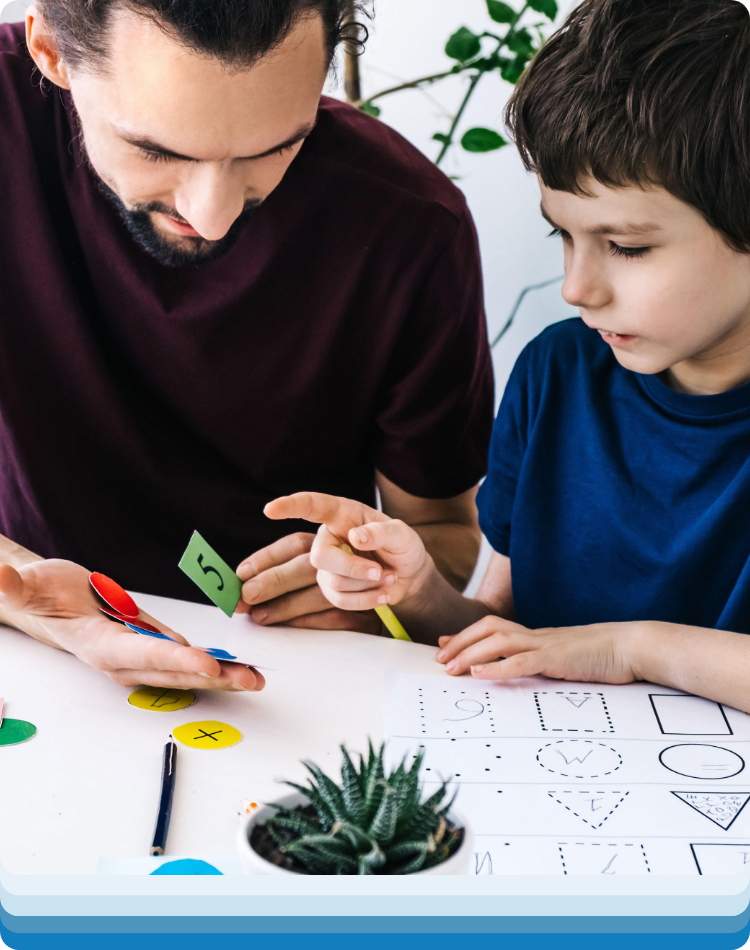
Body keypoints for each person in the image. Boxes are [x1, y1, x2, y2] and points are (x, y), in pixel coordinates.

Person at [267, 0, 750, 713]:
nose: (576, 287)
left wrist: (627, 648)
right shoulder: (556, 373)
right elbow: (504, 632)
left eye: (627, 247)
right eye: (563, 235)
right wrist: (418, 590)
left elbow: (589, 651)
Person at [0, 1, 494, 690]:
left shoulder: (409, 228)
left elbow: (441, 528)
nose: (213, 214)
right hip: (24, 654)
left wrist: (377, 585)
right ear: (51, 51)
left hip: (285, 674)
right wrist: (33, 601)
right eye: (158, 150)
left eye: (275, 148)